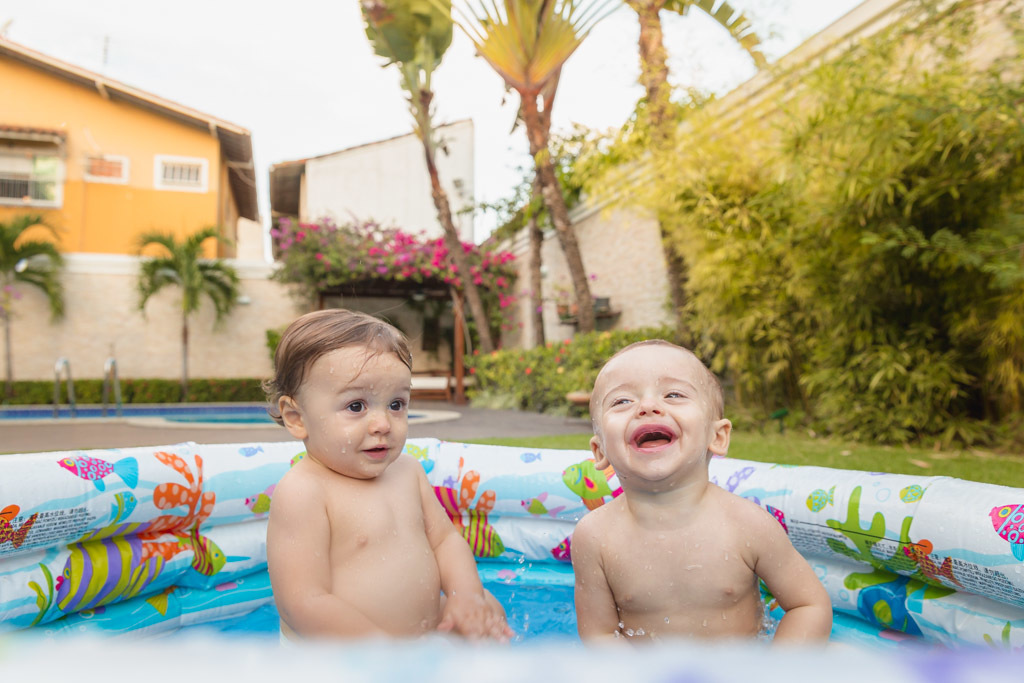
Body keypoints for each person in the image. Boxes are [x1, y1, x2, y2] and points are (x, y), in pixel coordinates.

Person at [265, 309, 513, 642]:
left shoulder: (408, 470)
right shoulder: (304, 491)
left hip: (419, 641)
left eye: (396, 404)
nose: (383, 424)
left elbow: (445, 540)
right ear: (296, 417)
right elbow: (303, 603)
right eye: (356, 406)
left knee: (489, 609)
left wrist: (465, 595)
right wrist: (384, 654)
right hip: (342, 654)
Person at [572, 340, 833, 643]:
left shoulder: (747, 524)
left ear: (717, 436)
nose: (647, 407)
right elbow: (599, 634)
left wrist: (776, 666)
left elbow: (808, 605)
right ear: (600, 450)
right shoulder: (595, 537)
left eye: (673, 394)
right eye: (622, 401)